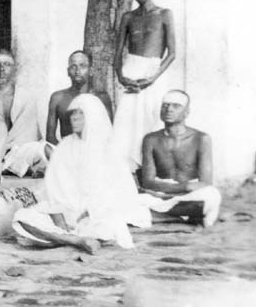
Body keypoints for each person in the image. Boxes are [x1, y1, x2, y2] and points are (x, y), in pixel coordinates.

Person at [12, 94, 152, 254]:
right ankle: (76, 240)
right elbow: (53, 188)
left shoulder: (108, 150)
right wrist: (59, 217)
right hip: (64, 213)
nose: (75, 118)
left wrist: (87, 213)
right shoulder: (65, 146)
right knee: (22, 217)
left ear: (94, 117)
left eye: (81, 114)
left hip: (94, 215)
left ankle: (59, 238)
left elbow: (117, 192)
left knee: (110, 226)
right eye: (73, 114)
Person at [112, 0, 176, 170]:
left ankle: (151, 171)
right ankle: (128, 173)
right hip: (131, 73)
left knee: (152, 119)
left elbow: (172, 53)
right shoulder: (128, 17)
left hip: (153, 74)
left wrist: (152, 78)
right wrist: (121, 76)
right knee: (127, 124)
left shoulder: (164, 14)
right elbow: (118, 53)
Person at [139, 90, 221, 227]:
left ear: (186, 112)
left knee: (211, 196)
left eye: (176, 106)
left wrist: (179, 191)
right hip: (160, 194)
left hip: (190, 195)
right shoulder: (150, 139)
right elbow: (148, 181)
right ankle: (179, 217)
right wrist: (176, 190)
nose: (169, 109)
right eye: (165, 105)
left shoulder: (201, 138)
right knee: (134, 201)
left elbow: (205, 182)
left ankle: (162, 216)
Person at [0, 50, 49, 177]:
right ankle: (20, 168)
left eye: (7, 65)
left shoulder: (27, 96)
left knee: (45, 149)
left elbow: (32, 133)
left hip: (20, 149)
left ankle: (18, 167)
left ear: (14, 69)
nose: (2, 69)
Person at [47, 50, 113, 145]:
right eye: (73, 67)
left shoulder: (101, 97)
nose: (77, 71)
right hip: (67, 153)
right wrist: (62, 153)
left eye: (82, 66)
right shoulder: (57, 98)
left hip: (94, 154)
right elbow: (50, 137)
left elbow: (109, 134)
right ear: (68, 71)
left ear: (91, 71)